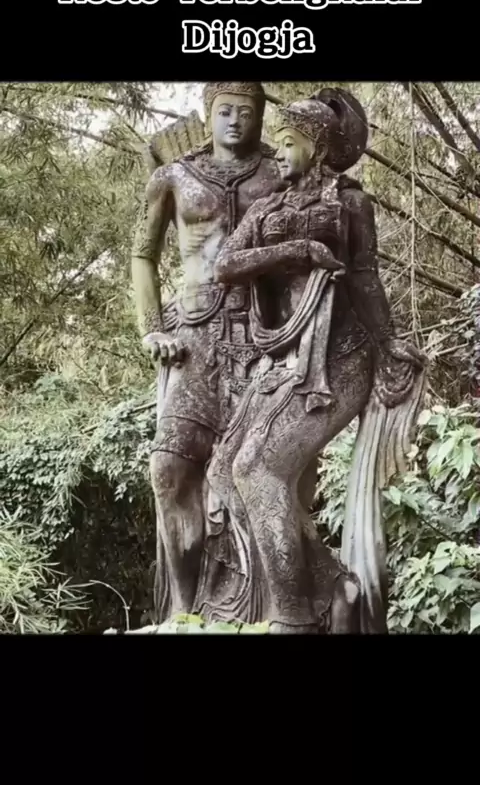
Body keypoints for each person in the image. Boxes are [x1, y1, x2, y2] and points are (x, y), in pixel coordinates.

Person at [206, 92, 427, 633]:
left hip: (338, 362)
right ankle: (333, 586)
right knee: (224, 472)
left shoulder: (351, 204)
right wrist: (296, 250)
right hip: (282, 358)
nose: (278, 153)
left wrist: (389, 342)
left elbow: (365, 278)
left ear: (318, 147)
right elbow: (226, 265)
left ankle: (294, 618)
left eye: (288, 143)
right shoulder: (267, 208)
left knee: (258, 470)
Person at [131, 82, 281, 620]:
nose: (235, 120)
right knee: (170, 469)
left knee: (263, 471)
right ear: (208, 114)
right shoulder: (173, 178)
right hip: (192, 340)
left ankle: (270, 607)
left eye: (246, 112)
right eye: (225, 111)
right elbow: (143, 255)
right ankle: (182, 612)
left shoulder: (281, 172)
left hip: (265, 339)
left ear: (261, 117)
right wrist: (152, 329)